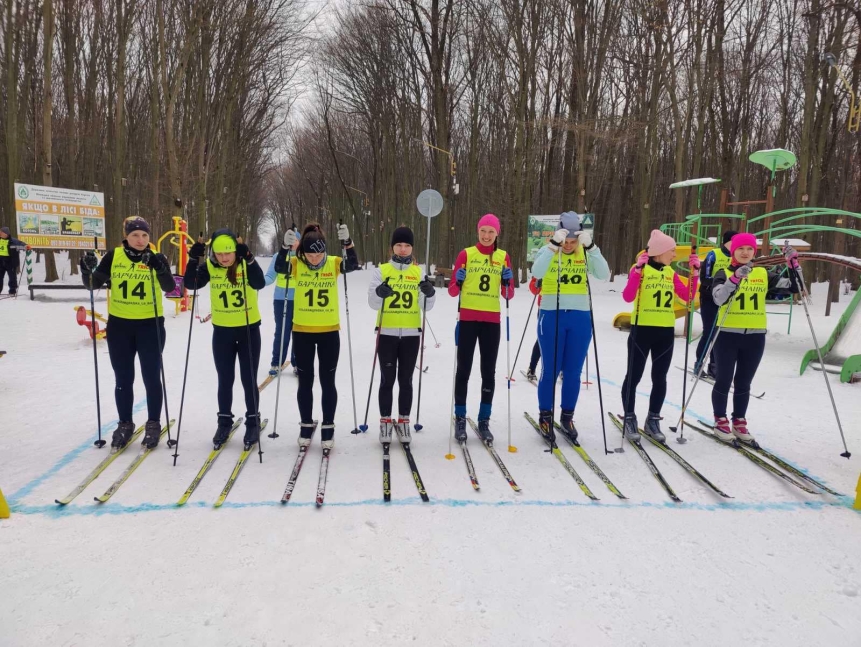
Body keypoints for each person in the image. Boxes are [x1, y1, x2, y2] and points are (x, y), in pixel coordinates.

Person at [80, 216, 174, 449]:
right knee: (123, 378)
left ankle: (153, 423)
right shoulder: (114, 256)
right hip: (120, 326)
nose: (140, 240)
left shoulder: (156, 256)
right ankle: (125, 424)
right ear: (126, 236)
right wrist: (86, 271)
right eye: (135, 235)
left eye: (144, 235)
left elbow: (171, 288)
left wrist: (160, 267)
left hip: (149, 325)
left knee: (151, 377)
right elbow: (94, 284)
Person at [709, 233, 798, 443]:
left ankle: (739, 420)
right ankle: (720, 419)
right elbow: (718, 299)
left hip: (755, 336)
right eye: (740, 249)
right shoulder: (723, 273)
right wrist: (735, 278)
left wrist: (793, 266)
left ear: (754, 252)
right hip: (728, 334)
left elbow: (794, 288)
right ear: (733, 251)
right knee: (723, 378)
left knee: (744, 382)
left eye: (749, 249)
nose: (745, 253)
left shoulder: (763, 273)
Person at [531, 212, 609, 442]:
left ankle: (567, 416)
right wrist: (553, 245)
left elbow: (603, 274)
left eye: (573, 242)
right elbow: (536, 272)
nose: (569, 245)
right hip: (552, 314)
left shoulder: (584, 252)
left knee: (573, 372)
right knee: (550, 370)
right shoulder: (551, 250)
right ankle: (545, 416)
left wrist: (592, 247)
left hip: (580, 316)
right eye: (566, 241)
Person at [184, 229, 266, 449]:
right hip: (222, 332)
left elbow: (259, 283)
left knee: (248, 379)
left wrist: (248, 257)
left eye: (228, 252)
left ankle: (252, 421)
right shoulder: (210, 266)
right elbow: (190, 283)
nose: (224, 257)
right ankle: (224, 421)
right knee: (225, 379)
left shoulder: (243, 264)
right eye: (219, 253)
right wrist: (193, 258)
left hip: (248, 330)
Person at [618, 230, 699, 442]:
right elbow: (628, 296)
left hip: (664, 331)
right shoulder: (641, 269)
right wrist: (636, 271)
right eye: (671, 250)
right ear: (660, 251)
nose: (674, 255)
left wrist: (695, 274)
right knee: (634, 376)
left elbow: (688, 296)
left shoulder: (670, 273)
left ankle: (653, 419)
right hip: (642, 329)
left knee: (659, 377)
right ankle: (629, 416)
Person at [289, 222, 358, 449]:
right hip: (302, 332)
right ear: (303, 252)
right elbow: (280, 268)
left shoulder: (334, 263)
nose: (315, 257)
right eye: (310, 253)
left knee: (328, 381)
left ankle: (328, 426)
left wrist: (348, 243)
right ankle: (306, 424)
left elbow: (353, 264)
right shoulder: (297, 263)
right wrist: (283, 247)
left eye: (319, 252)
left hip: (329, 331)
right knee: (305, 382)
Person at [448, 214, 515, 443]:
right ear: (478, 232)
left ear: (497, 234)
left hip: (491, 322)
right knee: (464, 370)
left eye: (491, 232)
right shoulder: (466, 254)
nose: (486, 236)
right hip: (467, 319)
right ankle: (460, 417)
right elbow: (452, 291)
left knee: (488, 371)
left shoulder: (503, 256)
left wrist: (508, 281)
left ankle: (484, 419)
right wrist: (457, 279)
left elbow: (508, 294)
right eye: (483, 231)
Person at [368, 226, 436, 444]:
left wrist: (430, 293)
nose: (403, 249)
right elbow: (372, 303)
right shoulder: (381, 271)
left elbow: (426, 306)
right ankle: (385, 421)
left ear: (412, 248)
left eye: (407, 245)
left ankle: (404, 421)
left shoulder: (418, 272)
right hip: (386, 332)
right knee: (387, 379)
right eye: (399, 245)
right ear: (392, 247)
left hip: (411, 334)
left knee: (406, 380)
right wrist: (379, 293)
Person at [695, 229, 737, 378]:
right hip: (708, 297)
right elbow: (704, 277)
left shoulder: (736, 258)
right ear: (726, 242)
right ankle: (699, 364)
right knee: (710, 331)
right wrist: (721, 285)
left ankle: (714, 367)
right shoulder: (714, 254)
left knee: (719, 334)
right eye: (734, 242)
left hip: (726, 300)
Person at [266, 226, 299, 376]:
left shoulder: (303, 257)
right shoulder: (278, 256)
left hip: (300, 300)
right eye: (290, 241)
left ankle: (297, 363)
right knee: (282, 331)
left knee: (299, 333)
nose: (293, 244)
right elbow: (270, 277)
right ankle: (276, 362)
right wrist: (256, 282)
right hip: (281, 299)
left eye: (296, 240)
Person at [0, 227, 28, 295]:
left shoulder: (13, 241)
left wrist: (26, 246)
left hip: (10, 261)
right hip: (0, 261)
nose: (0, 233)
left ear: (6, 233)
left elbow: (21, 244)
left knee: (12, 277)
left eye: (1, 232)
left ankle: (12, 290)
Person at [525, 277, 542, 381]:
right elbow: (533, 288)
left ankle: (562, 369)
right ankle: (532, 368)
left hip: (565, 308)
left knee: (563, 339)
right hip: (545, 308)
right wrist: (537, 284)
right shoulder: (544, 262)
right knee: (542, 339)